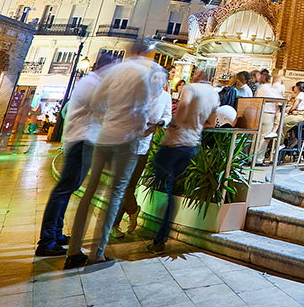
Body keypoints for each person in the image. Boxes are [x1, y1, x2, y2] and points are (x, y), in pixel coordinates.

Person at [65, 41, 166, 268]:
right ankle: (97, 253)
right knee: (116, 193)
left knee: (90, 191)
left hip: (104, 136)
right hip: (127, 139)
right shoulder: (145, 73)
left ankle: (73, 251)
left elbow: (97, 103)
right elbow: (145, 109)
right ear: (147, 53)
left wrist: (107, 120)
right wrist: (139, 126)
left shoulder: (114, 70)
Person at [35, 56, 112, 256]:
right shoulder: (93, 85)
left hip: (80, 141)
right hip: (81, 142)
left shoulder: (89, 82)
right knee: (64, 189)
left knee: (67, 189)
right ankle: (47, 240)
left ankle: (56, 234)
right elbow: (106, 111)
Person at [147, 69, 219, 253]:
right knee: (173, 191)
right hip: (191, 145)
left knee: (162, 182)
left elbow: (184, 105)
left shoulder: (189, 88)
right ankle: (160, 238)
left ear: (196, 76)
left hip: (174, 142)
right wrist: (194, 124)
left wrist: (176, 122)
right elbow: (211, 122)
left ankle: (156, 231)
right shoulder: (213, 94)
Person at [113, 66, 172, 237]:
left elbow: (168, 115)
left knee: (130, 185)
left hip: (144, 145)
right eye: (154, 78)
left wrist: (159, 123)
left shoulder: (166, 97)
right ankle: (133, 210)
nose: (157, 81)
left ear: (165, 81)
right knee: (123, 185)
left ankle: (115, 225)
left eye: (161, 78)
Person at [254, 70, 282, 162]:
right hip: (268, 114)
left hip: (259, 113)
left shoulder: (260, 88)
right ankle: (258, 159)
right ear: (269, 79)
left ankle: (251, 157)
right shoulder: (269, 89)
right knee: (264, 137)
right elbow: (280, 99)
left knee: (257, 137)